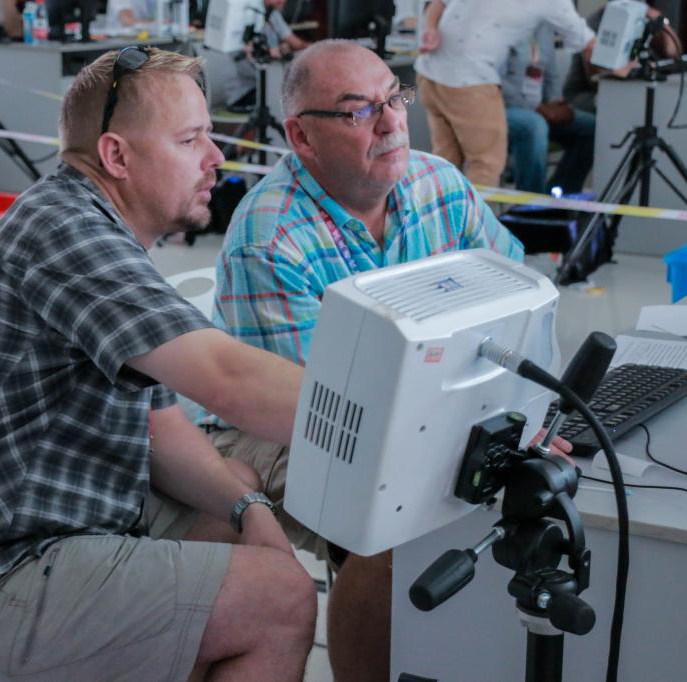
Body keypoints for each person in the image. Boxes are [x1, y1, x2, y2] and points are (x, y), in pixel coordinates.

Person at [0, 47, 317, 681]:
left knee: (231, 489)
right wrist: (388, 420)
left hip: (20, 540)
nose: (216, 158)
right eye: (190, 140)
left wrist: (249, 509)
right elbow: (229, 380)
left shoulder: (92, 228)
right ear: (116, 156)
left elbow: (160, 428)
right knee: (280, 600)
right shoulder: (65, 232)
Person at [201, 40, 570, 682]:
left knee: (535, 490)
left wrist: (531, 418)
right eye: (360, 111)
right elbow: (324, 417)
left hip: (435, 410)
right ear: (302, 136)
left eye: (395, 98)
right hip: (284, 429)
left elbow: (523, 304)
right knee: (400, 522)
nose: (393, 121)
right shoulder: (270, 237)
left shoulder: (438, 185)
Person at [413, 0, 594, 188]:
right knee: (486, 165)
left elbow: (550, 69)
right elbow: (588, 43)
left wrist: (557, 101)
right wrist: (537, 108)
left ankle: (552, 199)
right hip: (472, 85)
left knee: (447, 160)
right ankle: (526, 202)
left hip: (434, 74)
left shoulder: (544, 21)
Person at [502, 22, 595, 195]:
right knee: (534, 126)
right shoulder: (501, 22)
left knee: (591, 127)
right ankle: (530, 204)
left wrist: (556, 102)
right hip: (504, 107)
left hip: (540, 106)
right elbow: (496, 81)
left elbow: (551, 73)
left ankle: (558, 199)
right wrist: (536, 107)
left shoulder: (543, 25)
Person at [224, 0, 310, 112]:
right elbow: (249, 54)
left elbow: (296, 44)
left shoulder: (272, 14)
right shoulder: (247, 15)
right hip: (246, 93)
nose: (283, 1)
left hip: (266, 85)